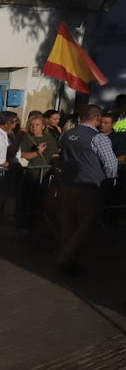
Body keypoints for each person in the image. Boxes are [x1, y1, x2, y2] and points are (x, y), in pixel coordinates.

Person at [56, 104, 118, 275]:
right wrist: (109, 179)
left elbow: (61, 156)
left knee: (68, 223)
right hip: (88, 185)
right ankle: (66, 258)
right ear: (97, 118)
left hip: (67, 183)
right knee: (87, 223)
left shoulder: (67, 134)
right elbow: (111, 164)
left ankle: (71, 259)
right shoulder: (98, 138)